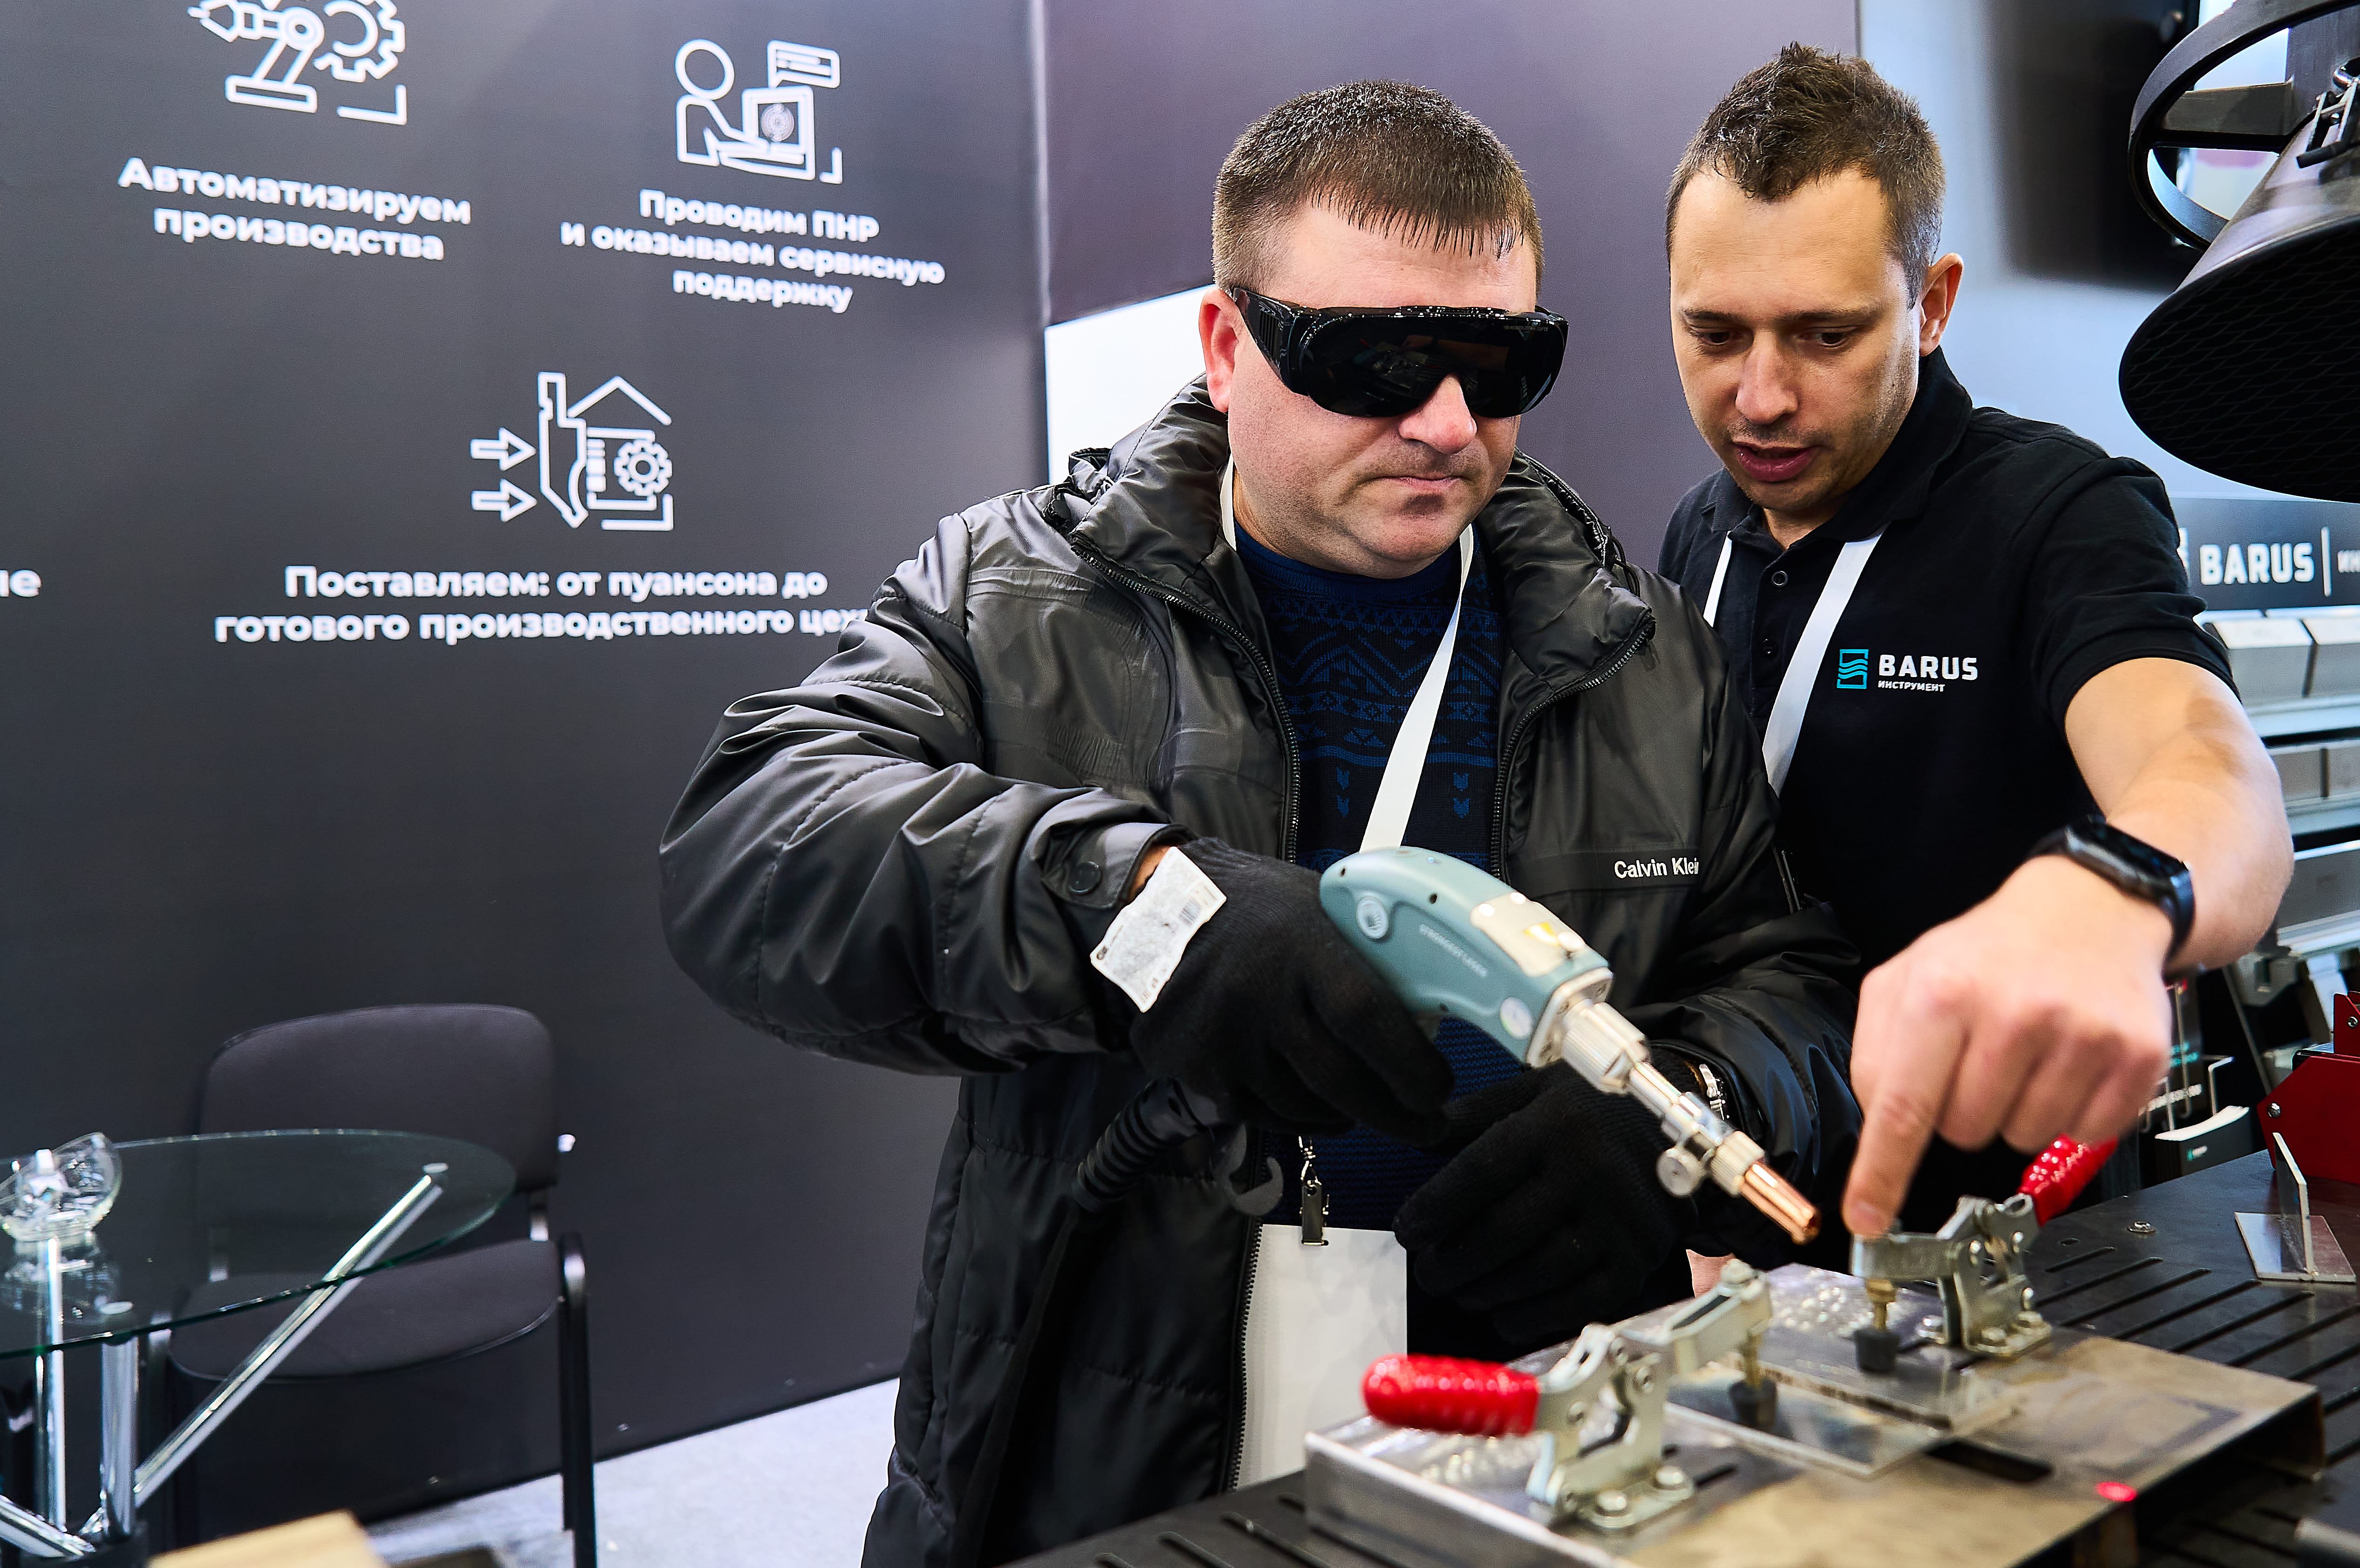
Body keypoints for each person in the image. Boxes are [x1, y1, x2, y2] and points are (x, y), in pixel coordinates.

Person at [661, 81, 1857, 1566]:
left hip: (1537, 1453)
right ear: (1228, 348)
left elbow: (1785, 979)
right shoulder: (1016, 594)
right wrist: (1148, 914)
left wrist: (1678, 1108)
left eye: (1500, 364)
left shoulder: (1641, 649)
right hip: (1112, 1463)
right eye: (1373, 360)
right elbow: (752, 843)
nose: (1445, 422)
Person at [1655, 45, 2293, 1241]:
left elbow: (2207, 764)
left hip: (2005, 1233)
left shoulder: (2057, 512)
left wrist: (2113, 892)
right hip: (1750, 1184)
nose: (1763, 396)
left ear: (1933, 304)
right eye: (1717, 333)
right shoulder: (1700, 530)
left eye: (1825, 334)